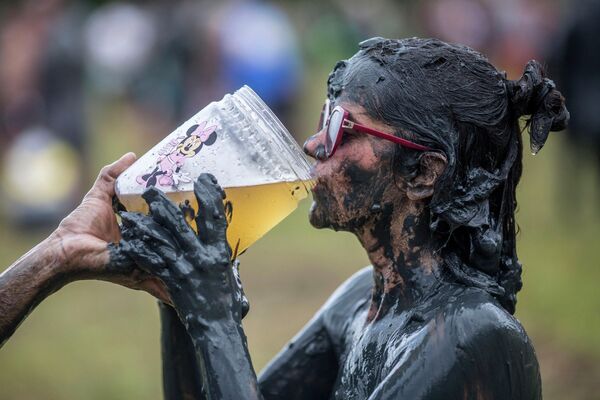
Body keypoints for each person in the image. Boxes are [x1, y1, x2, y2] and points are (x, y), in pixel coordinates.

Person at [0, 37, 568, 399]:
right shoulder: (359, 304)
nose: (312, 142)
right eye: (324, 117)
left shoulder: (476, 338)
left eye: (343, 128)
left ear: (422, 175)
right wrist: (180, 299)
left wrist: (218, 319)